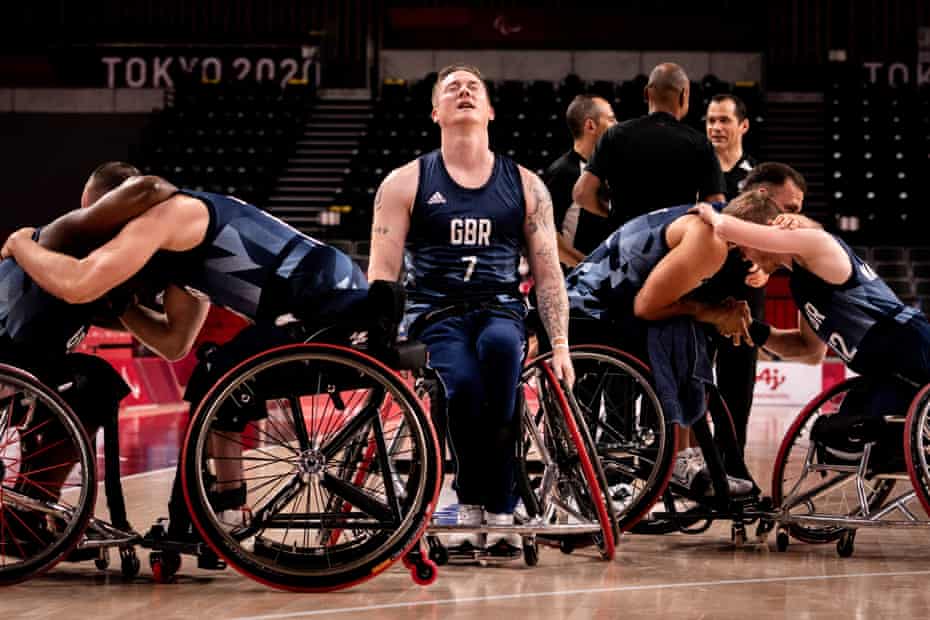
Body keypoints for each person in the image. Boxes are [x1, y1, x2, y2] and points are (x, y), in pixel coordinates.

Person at [2, 166, 372, 541]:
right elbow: (174, 343)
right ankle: (219, 508)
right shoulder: (187, 245)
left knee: (220, 379)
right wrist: (122, 306)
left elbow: (80, 283)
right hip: (336, 289)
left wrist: (22, 245)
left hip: (316, 295)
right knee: (214, 372)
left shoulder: (163, 217)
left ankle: (220, 508)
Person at [367, 63, 573, 553]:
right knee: (460, 384)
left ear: (490, 111)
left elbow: (548, 272)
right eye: (452, 88)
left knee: (502, 352)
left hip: (500, 306)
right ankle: (473, 501)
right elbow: (382, 273)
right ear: (435, 111)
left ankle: (497, 506)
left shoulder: (526, 184)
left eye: (473, 87)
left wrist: (560, 343)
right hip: (434, 312)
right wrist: (380, 339)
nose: (463, 91)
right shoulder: (403, 182)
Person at [564, 194, 760, 496]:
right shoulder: (710, 240)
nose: (755, 259)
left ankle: (684, 457)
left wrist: (721, 308)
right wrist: (710, 313)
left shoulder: (707, 221)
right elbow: (646, 308)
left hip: (595, 301)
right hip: (589, 313)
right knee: (680, 328)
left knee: (687, 322)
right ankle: (677, 461)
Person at [692, 192, 930, 431]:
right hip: (882, 367)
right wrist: (752, 328)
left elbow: (723, 226)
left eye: (741, 246)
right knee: (838, 439)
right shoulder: (800, 282)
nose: (742, 255)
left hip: (907, 345)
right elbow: (808, 350)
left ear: (761, 230)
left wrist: (708, 212)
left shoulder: (815, 244)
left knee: (877, 438)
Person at [572, 62, 726, 232]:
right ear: (684, 95)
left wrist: (611, 214)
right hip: (675, 245)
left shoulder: (615, 135)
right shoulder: (700, 144)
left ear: (646, 93)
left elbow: (582, 193)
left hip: (625, 243)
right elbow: (715, 204)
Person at [700, 94, 759, 464]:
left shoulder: (757, 180)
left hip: (745, 298)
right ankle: (691, 471)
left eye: (724, 120)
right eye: (710, 121)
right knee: (693, 385)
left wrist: (767, 267)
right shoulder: (695, 172)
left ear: (743, 126)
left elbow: (782, 232)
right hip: (701, 295)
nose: (716, 128)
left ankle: (734, 469)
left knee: (738, 390)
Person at [542, 94, 616, 270]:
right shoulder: (563, 172)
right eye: (611, 120)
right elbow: (545, 233)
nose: (617, 126)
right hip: (572, 284)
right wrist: (588, 268)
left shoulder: (612, 170)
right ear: (590, 125)